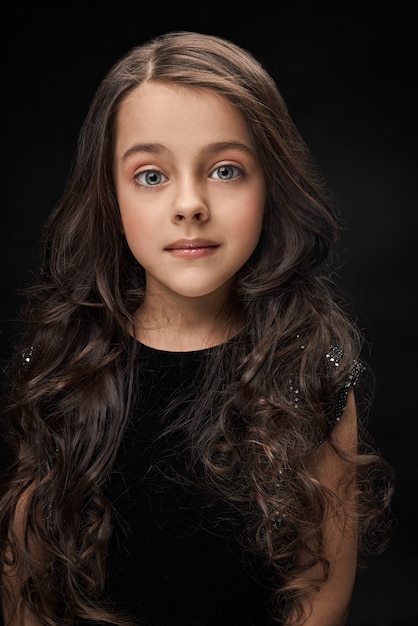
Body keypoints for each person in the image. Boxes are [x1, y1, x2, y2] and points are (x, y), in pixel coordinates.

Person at [0, 31, 393, 626]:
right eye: (152, 176)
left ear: (271, 185)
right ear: (110, 194)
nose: (190, 204)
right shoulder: (57, 365)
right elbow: (25, 586)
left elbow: (318, 596)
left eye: (227, 169)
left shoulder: (316, 370)